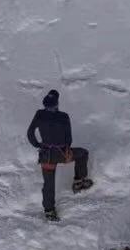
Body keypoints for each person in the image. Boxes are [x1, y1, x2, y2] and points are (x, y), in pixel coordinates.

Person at [25, 89, 92, 221]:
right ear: (57, 104)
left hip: (46, 155)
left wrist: (38, 145)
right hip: (61, 153)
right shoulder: (64, 116)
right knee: (82, 153)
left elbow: (30, 133)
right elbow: (68, 139)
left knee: (48, 183)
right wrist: (66, 149)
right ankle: (79, 181)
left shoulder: (39, 114)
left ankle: (49, 211)